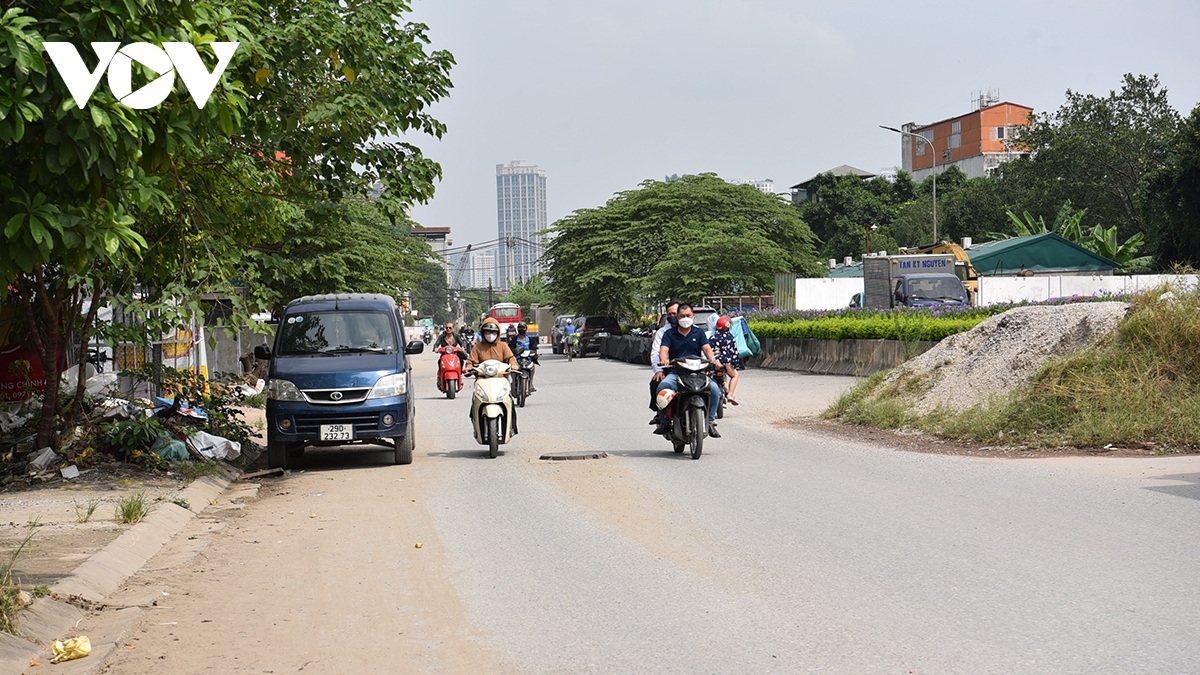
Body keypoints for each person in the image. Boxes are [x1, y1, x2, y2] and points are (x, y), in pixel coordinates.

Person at [654, 303, 723, 437]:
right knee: (662, 386)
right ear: (677, 317)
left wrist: (714, 360)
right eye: (682, 316)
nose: (685, 318)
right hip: (676, 373)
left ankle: (710, 422)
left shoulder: (699, 332)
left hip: (697, 373)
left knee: (715, 390)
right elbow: (663, 350)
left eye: (688, 315)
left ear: (693, 316)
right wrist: (664, 360)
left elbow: (707, 349)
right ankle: (664, 421)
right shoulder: (669, 333)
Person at [648, 301, 680, 424]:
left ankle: (707, 417)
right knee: (656, 383)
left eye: (675, 313)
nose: (673, 317)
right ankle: (661, 414)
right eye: (670, 314)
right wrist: (659, 370)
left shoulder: (696, 331)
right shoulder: (664, 332)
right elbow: (656, 353)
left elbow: (704, 350)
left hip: (691, 368)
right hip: (669, 368)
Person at [709, 316, 741, 405]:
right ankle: (730, 395)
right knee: (735, 375)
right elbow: (734, 351)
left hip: (715, 363)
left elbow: (708, 350)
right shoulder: (730, 337)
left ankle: (725, 389)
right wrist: (735, 363)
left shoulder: (712, 337)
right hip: (727, 363)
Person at [508, 322, 539, 391]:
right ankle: (514, 382)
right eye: (520, 328)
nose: (521, 329)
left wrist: (535, 355)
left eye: (523, 328)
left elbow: (534, 349)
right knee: (512, 368)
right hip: (517, 359)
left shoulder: (530, 340)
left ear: (526, 329)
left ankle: (531, 383)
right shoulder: (514, 340)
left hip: (528, 359)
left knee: (533, 366)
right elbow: (509, 349)